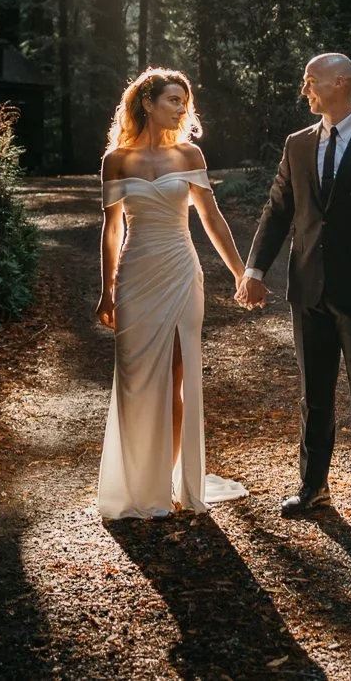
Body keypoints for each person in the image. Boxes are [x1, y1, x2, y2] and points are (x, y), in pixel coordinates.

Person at [237, 52, 351, 530]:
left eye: (311, 80)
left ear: (341, 82)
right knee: (313, 393)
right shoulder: (297, 144)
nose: (304, 88)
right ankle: (313, 487)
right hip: (308, 288)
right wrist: (254, 269)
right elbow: (277, 212)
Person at [95, 67, 253, 519]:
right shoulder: (117, 160)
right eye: (173, 100)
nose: (182, 109)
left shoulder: (190, 156)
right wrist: (106, 290)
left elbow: (212, 218)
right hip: (136, 273)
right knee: (134, 376)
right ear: (147, 103)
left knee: (177, 377)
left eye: (185, 101)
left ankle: (167, 482)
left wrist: (242, 272)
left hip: (181, 270)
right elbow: (111, 230)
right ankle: (134, 479)